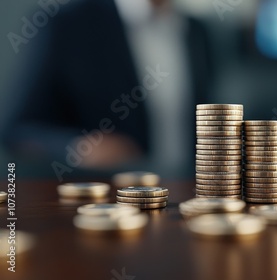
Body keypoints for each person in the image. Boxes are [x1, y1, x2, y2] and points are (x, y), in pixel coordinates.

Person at [2, 0, 213, 178]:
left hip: (188, 198)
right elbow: (18, 129)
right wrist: (78, 147)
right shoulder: (68, 24)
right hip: (105, 205)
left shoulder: (197, 31)